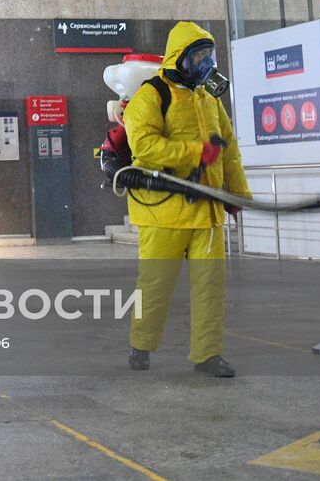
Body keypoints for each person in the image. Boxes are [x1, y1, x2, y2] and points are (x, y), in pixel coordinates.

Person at [123, 22, 250, 377]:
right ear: (180, 58)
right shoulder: (152, 95)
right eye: (199, 57)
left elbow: (229, 152)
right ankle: (141, 345)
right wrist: (197, 153)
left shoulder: (209, 100)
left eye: (210, 56)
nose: (206, 64)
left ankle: (207, 355)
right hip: (163, 211)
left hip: (206, 212)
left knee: (211, 286)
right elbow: (143, 146)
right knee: (155, 284)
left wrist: (236, 195)